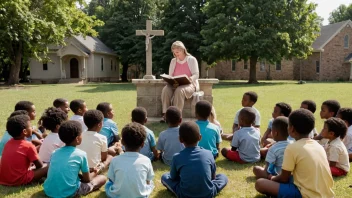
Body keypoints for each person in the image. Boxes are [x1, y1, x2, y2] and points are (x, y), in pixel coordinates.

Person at [255, 109, 334, 197]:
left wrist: (271, 178)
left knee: (260, 183)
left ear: (291, 129)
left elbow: (283, 178)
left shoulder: (292, 147)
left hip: (305, 194)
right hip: (327, 194)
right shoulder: (318, 145)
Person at [161, 121, 228, 198]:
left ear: (180, 139)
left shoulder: (177, 157)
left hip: (184, 194)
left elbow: (173, 177)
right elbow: (213, 177)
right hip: (208, 193)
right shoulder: (209, 153)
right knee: (223, 177)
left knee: (165, 176)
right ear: (200, 137)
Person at [44, 120, 106, 197]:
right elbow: (87, 180)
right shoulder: (81, 154)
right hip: (69, 192)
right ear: (77, 139)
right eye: (81, 134)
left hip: (49, 190)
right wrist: (96, 171)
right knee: (102, 178)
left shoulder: (55, 152)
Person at [105, 123, 155, 198]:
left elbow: (112, 179)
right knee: (151, 183)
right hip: (141, 196)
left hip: (117, 196)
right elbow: (148, 181)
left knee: (108, 184)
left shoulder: (115, 160)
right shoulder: (146, 160)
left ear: (122, 142)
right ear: (142, 144)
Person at [0, 115, 48, 186]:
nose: (32, 128)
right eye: (30, 127)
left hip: (4, 179)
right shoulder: (28, 145)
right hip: (18, 180)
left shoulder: (9, 142)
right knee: (48, 165)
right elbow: (40, 165)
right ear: (25, 131)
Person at [161, 41, 199, 122]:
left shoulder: (192, 59)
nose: (176, 54)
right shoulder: (173, 61)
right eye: (174, 52)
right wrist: (168, 79)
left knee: (179, 91)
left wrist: (190, 79)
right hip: (175, 84)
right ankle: (165, 114)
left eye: (177, 52)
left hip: (189, 85)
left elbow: (196, 74)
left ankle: (176, 116)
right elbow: (171, 75)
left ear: (182, 50)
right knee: (165, 89)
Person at [77, 110, 112, 174]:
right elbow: (104, 157)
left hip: (81, 168)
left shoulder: (79, 136)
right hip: (94, 169)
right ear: (100, 124)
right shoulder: (102, 138)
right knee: (110, 157)